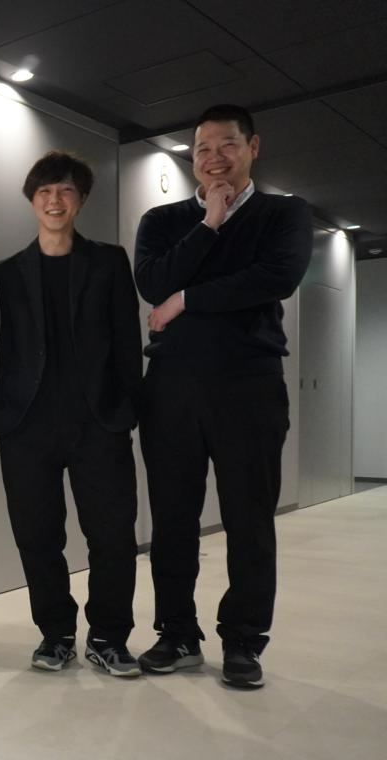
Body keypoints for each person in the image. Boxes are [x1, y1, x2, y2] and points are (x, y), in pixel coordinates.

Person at [134, 104, 312, 689]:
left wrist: (187, 300)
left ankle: (243, 640)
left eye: (226, 145)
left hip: (249, 385)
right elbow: (153, 282)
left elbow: (276, 277)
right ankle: (177, 633)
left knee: (249, 518)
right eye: (202, 149)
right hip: (172, 388)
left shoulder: (283, 214)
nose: (213, 158)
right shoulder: (163, 220)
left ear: (252, 147)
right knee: (172, 519)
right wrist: (209, 223)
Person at [0, 152, 143, 677]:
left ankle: (108, 637)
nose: (55, 201)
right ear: (32, 201)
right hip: (27, 427)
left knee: (113, 536)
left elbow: (127, 339)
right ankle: (55, 634)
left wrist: (127, 409)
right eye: (45, 192)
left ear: (81, 200)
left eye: (65, 191)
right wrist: (3, 415)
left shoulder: (109, 262)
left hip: (99, 423)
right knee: (37, 537)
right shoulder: (7, 273)